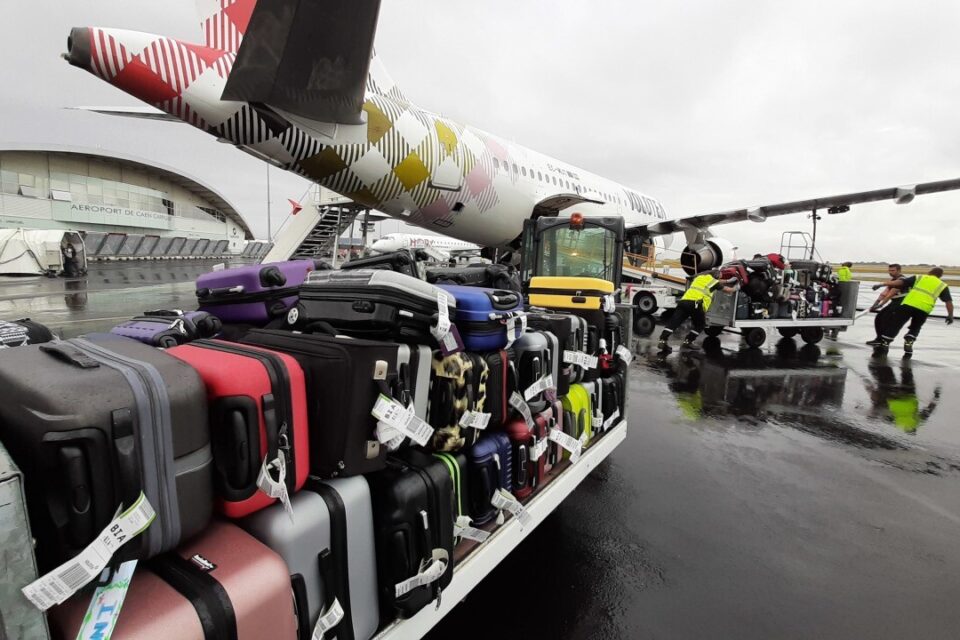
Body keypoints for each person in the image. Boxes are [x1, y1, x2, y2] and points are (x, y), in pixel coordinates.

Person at [869, 267, 954, 353]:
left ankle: (886, 342)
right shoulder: (942, 285)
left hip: (908, 304)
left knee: (896, 324)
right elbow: (948, 302)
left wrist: (882, 284)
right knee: (916, 326)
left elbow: (900, 282)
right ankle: (910, 339)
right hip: (924, 309)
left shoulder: (919, 277)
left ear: (929, 272)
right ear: (940, 276)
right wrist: (950, 315)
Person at [658, 269, 738, 352]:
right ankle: (688, 342)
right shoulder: (714, 282)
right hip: (695, 304)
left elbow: (717, 281)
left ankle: (662, 340)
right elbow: (728, 290)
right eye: (721, 275)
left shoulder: (699, 278)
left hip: (683, 302)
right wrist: (736, 287)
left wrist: (727, 280)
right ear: (717, 276)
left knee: (674, 322)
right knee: (700, 325)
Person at [866, 264, 906, 343]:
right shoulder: (892, 280)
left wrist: (880, 305)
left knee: (884, 319)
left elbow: (890, 294)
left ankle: (883, 340)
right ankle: (879, 338)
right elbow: (884, 293)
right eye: (889, 270)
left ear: (899, 271)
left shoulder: (901, 280)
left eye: (893, 270)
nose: (890, 272)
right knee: (879, 318)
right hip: (894, 302)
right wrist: (875, 303)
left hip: (901, 303)